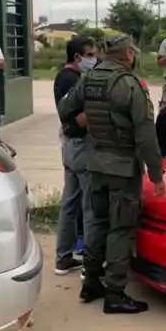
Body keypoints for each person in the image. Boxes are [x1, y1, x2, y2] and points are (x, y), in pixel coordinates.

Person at [57, 33, 165, 314]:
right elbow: (145, 135)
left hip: (95, 162)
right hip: (123, 167)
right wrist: (157, 175)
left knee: (98, 223)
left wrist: (90, 120)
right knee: (121, 228)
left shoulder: (89, 78)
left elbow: (65, 109)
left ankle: (91, 282)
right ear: (128, 54)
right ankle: (115, 293)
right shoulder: (129, 85)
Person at [53, 36, 97, 276]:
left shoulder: (62, 76)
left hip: (70, 147)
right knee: (89, 206)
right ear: (78, 56)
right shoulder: (73, 80)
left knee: (69, 203)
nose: (94, 59)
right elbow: (78, 118)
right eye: (90, 54)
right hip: (81, 145)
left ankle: (63, 258)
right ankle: (90, 265)